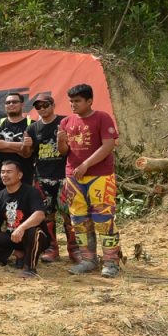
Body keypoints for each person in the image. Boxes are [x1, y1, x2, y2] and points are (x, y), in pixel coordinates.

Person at [59, 83, 121, 277]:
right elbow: (64, 151)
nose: (73, 104)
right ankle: (88, 260)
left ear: (89, 101)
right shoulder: (66, 122)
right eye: (71, 101)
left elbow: (108, 145)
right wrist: (60, 140)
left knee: (103, 218)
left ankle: (111, 262)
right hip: (73, 176)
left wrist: (86, 164)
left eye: (77, 101)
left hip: (100, 176)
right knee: (78, 219)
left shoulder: (102, 117)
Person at [25, 94, 75, 263]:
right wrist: (26, 146)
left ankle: (74, 249)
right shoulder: (32, 128)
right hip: (42, 177)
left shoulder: (65, 122)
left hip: (64, 176)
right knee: (47, 215)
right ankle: (52, 248)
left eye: (45, 105)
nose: (42, 109)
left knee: (69, 214)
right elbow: (27, 154)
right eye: (38, 106)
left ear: (53, 105)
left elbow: (73, 147)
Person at [0, 161, 50, 278]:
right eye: (2, 172)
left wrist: (21, 228)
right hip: (13, 237)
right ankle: (19, 255)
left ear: (19, 175)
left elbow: (40, 214)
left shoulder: (31, 192)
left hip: (34, 238)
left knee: (33, 232)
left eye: (9, 172)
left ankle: (30, 268)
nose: (4, 175)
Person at [0, 93, 34, 199]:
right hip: (0, 177)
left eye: (15, 102)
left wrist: (5, 144)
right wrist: (20, 147)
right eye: (8, 102)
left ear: (22, 104)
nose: (11, 104)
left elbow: (28, 152)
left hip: (23, 176)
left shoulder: (32, 124)